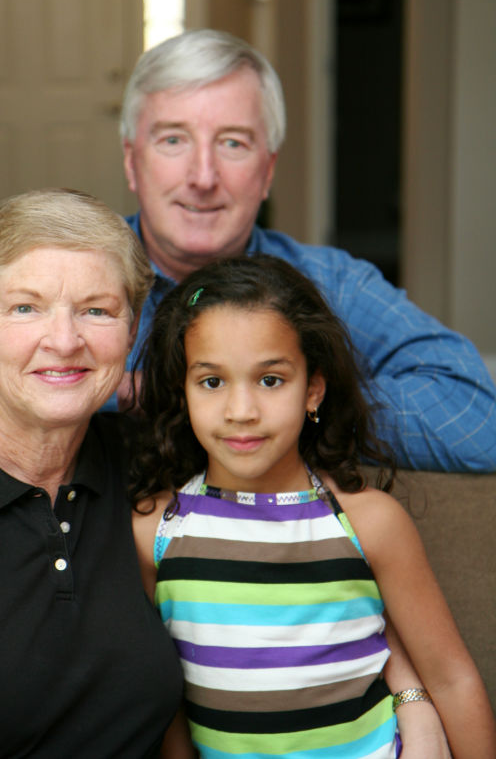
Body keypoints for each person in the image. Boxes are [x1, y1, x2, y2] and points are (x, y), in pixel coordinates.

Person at [0, 29, 495, 473]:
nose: (202, 175)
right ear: (133, 161)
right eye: (174, 140)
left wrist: (277, 397)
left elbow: (477, 417)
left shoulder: (331, 282)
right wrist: (115, 389)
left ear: (267, 171)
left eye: (233, 143)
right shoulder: (62, 272)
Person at [131, 254, 496, 759]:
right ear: (183, 391)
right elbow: (167, 706)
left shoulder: (369, 522)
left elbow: (453, 680)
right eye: (212, 382)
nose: (242, 412)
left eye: (271, 380)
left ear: (314, 389)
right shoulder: (156, 531)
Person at [0, 189, 184, 758]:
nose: (64, 340)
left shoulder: (155, 467)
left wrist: (412, 698)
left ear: (131, 332)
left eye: (96, 309)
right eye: (26, 307)